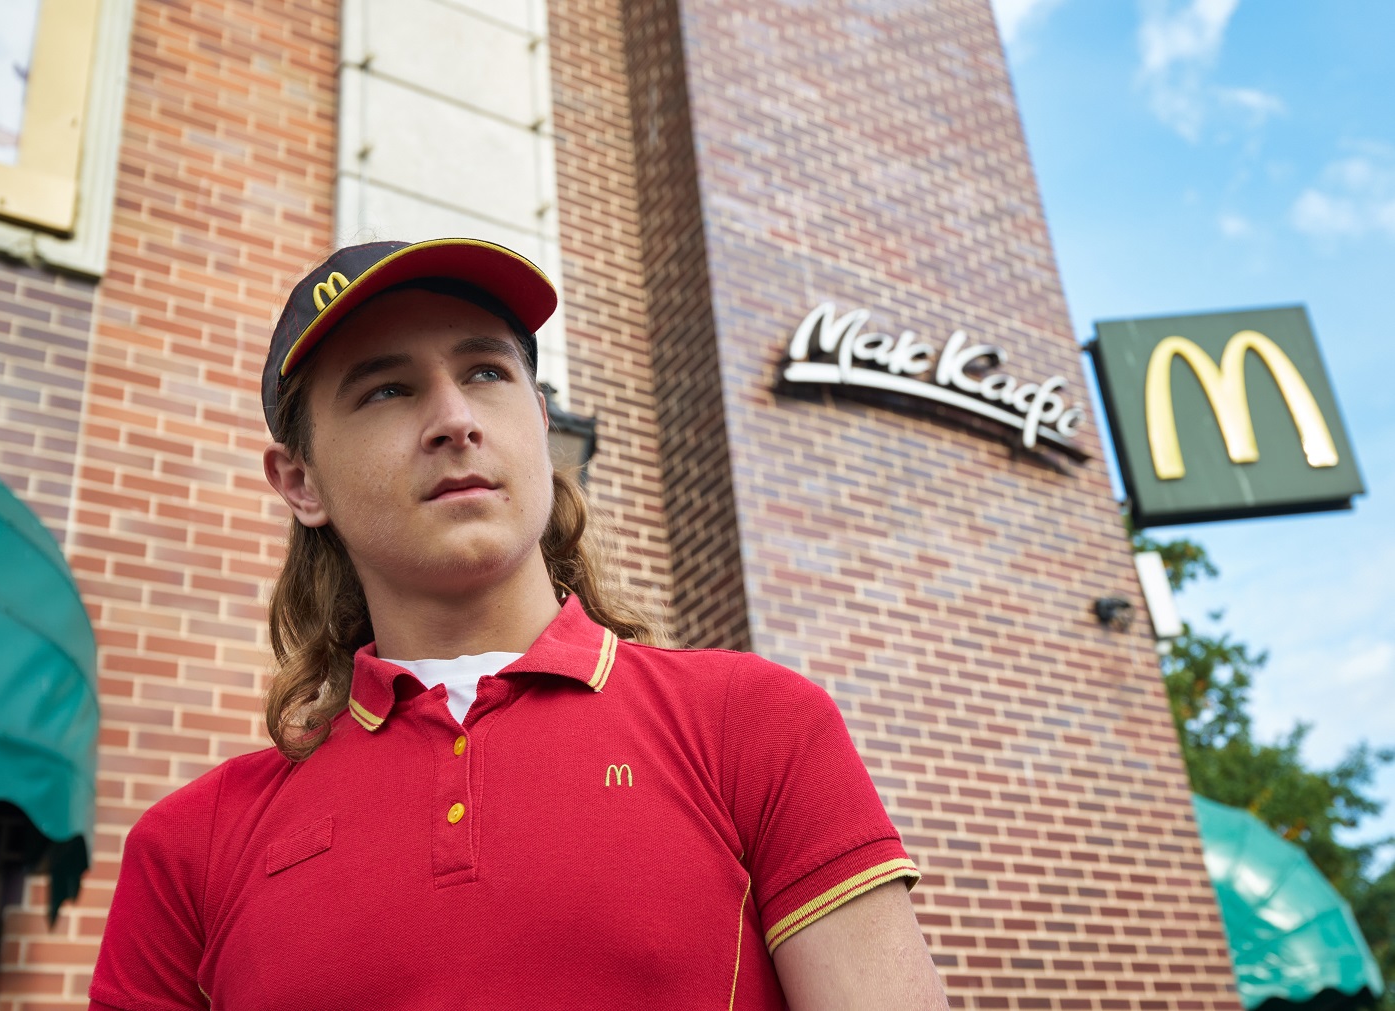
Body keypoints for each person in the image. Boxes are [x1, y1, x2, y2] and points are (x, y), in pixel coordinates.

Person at [88, 238, 950, 1010]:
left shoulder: (754, 725)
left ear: (540, 421)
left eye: (487, 373)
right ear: (299, 481)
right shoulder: (186, 847)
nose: (456, 418)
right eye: (387, 388)